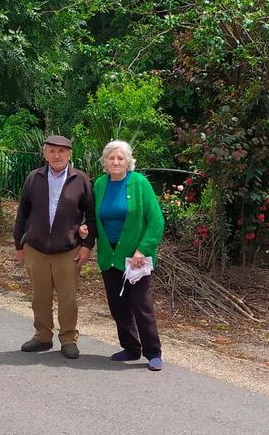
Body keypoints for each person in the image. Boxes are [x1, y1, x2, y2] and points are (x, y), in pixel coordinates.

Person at [12, 135, 95, 359]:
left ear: (69, 154)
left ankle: (68, 339)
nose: (56, 155)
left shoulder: (81, 179)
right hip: (36, 249)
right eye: (51, 151)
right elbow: (22, 214)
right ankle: (42, 336)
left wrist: (87, 246)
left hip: (68, 250)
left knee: (68, 299)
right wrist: (18, 244)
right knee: (40, 297)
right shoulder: (33, 178)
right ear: (44, 153)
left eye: (61, 151)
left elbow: (91, 216)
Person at [89, 140, 165, 371]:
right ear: (105, 161)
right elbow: (93, 217)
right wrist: (85, 229)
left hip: (135, 257)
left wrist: (143, 249)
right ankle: (131, 348)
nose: (116, 162)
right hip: (109, 255)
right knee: (117, 305)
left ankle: (153, 352)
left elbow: (156, 220)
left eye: (120, 158)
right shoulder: (100, 184)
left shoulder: (139, 183)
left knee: (140, 304)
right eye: (111, 158)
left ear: (128, 161)